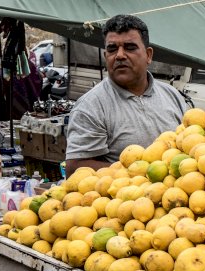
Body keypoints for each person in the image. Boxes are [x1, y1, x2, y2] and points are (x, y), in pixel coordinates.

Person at [65, 14, 187, 176]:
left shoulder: (172, 95)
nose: (120, 55)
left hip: (176, 195)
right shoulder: (91, 106)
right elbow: (75, 168)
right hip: (123, 199)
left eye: (130, 47)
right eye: (112, 49)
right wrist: (138, 173)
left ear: (148, 55)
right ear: (105, 56)